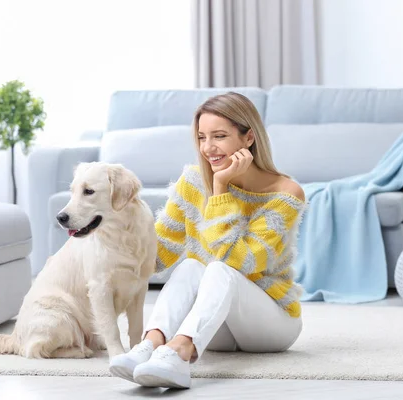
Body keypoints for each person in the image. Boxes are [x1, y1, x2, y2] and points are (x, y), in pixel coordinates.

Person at [109, 92, 306, 389]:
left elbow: (241, 262)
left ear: (248, 138)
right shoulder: (191, 182)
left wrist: (220, 189)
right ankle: (150, 345)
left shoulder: (286, 193)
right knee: (190, 266)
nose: (208, 148)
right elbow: (158, 255)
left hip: (272, 325)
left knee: (217, 268)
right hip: (216, 327)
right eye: (202, 137)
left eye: (220, 136)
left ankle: (179, 352)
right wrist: (114, 230)